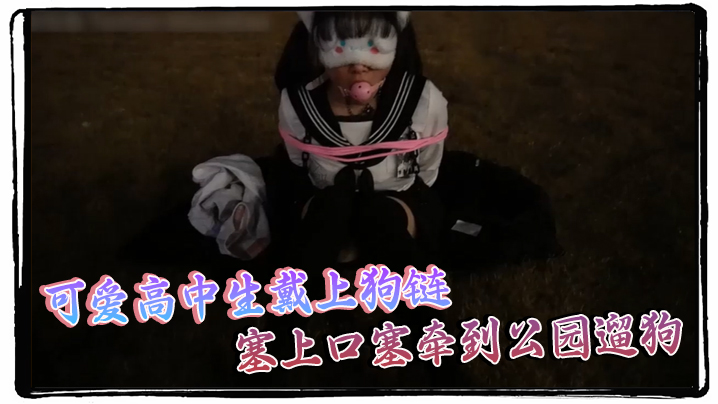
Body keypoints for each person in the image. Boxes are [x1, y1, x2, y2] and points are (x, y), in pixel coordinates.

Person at [272, 11, 449, 275]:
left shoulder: (422, 99)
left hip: (399, 200)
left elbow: (428, 162)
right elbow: (298, 159)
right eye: (341, 48)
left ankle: (411, 291)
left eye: (374, 47)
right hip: (323, 197)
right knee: (328, 213)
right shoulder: (298, 103)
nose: (359, 65)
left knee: (382, 217)